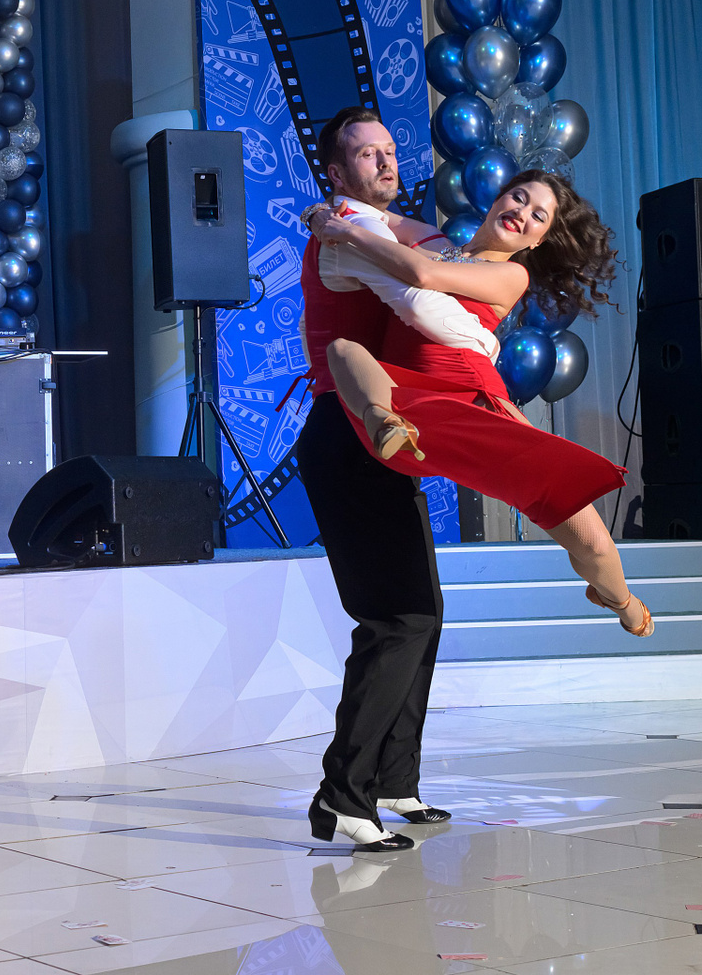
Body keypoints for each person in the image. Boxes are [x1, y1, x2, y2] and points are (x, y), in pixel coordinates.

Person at [310, 170, 652, 644]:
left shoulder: (512, 274)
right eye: (518, 198)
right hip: (410, 400)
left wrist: (344, 232)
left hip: (474, 400)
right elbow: (374, 214)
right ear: (497, 200)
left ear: (538, 240)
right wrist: (322, 212)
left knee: (590, 542)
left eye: (538, 216)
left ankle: (621, 600)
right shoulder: (436, 243)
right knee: (343, 350)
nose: (521, 213)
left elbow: (422, 275)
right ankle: (385, 423)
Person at [291, 106, 454, 854]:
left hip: (380, 435)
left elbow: (428, 250)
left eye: (389, 150)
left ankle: (393, 781)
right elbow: (429, 276)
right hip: (349, 434)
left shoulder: (369, 227)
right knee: (396, 619)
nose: (386, 163)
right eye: (366, 154)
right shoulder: (347, 232)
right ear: (336, 172)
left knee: (423, 612)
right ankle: (344, 797)